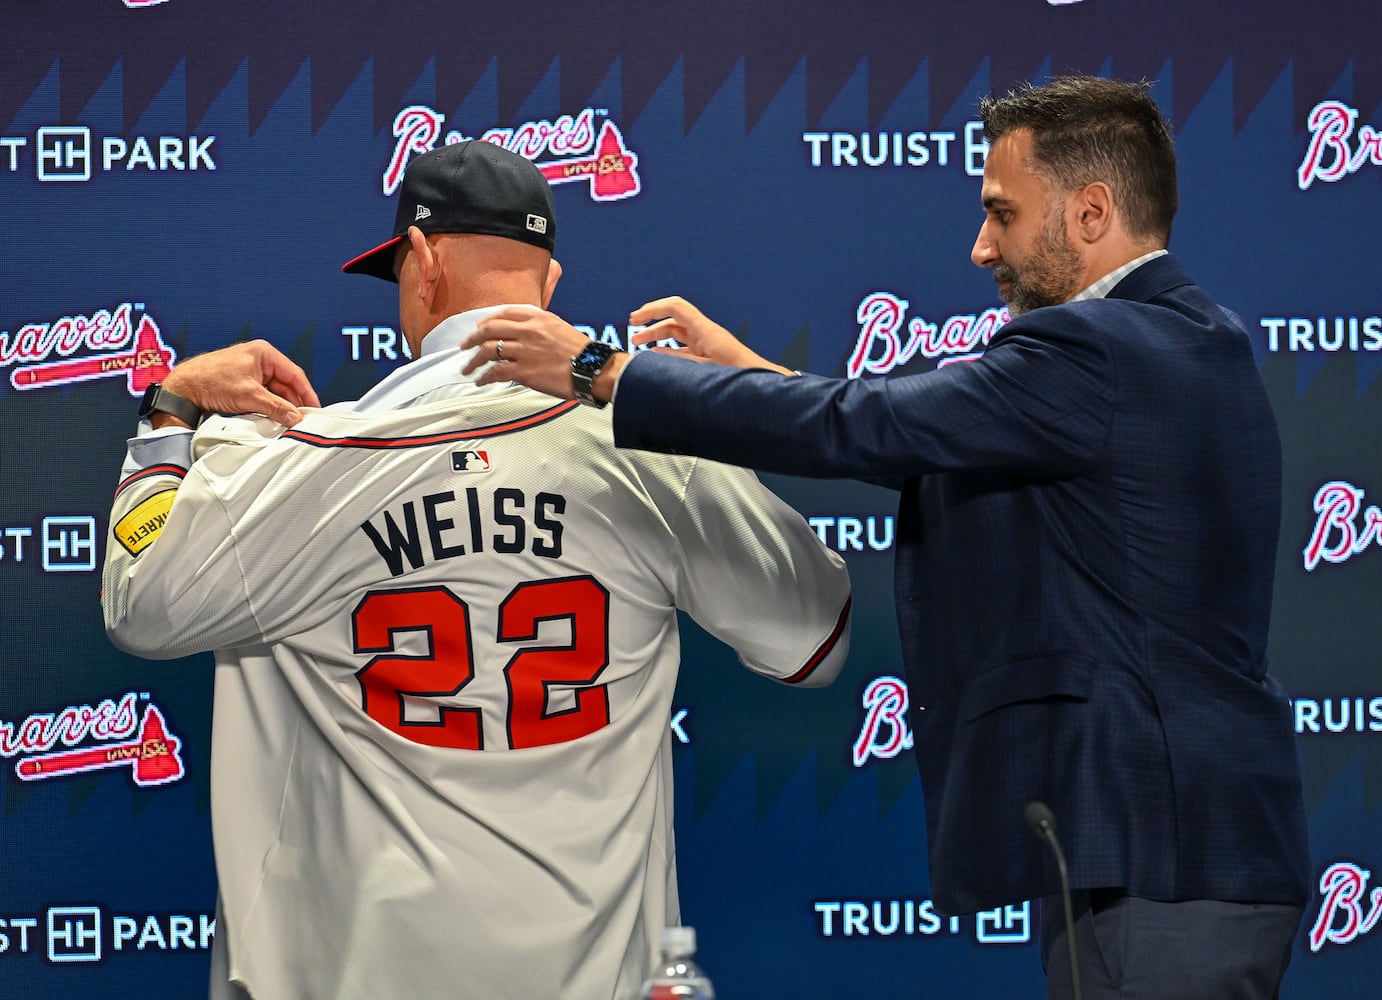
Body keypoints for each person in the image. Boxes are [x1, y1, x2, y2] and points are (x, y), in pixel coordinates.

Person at [463, 76, 1310, 999]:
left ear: (1093, 211)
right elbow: (926, 440)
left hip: (1160, 858)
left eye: (1004, 213)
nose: (982, 245)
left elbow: (872, 424)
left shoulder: (1097, 350)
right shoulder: (1184, 338)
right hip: (1184, 854)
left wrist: (601, 370)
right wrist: (748, 371)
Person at [101, 140, 852, 1000]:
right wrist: (727, 412)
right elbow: (815, 640)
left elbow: (139, 600)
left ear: (420, 262)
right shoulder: (654, 442)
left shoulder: (297, 461)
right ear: (551, 282)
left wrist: (171, 410)